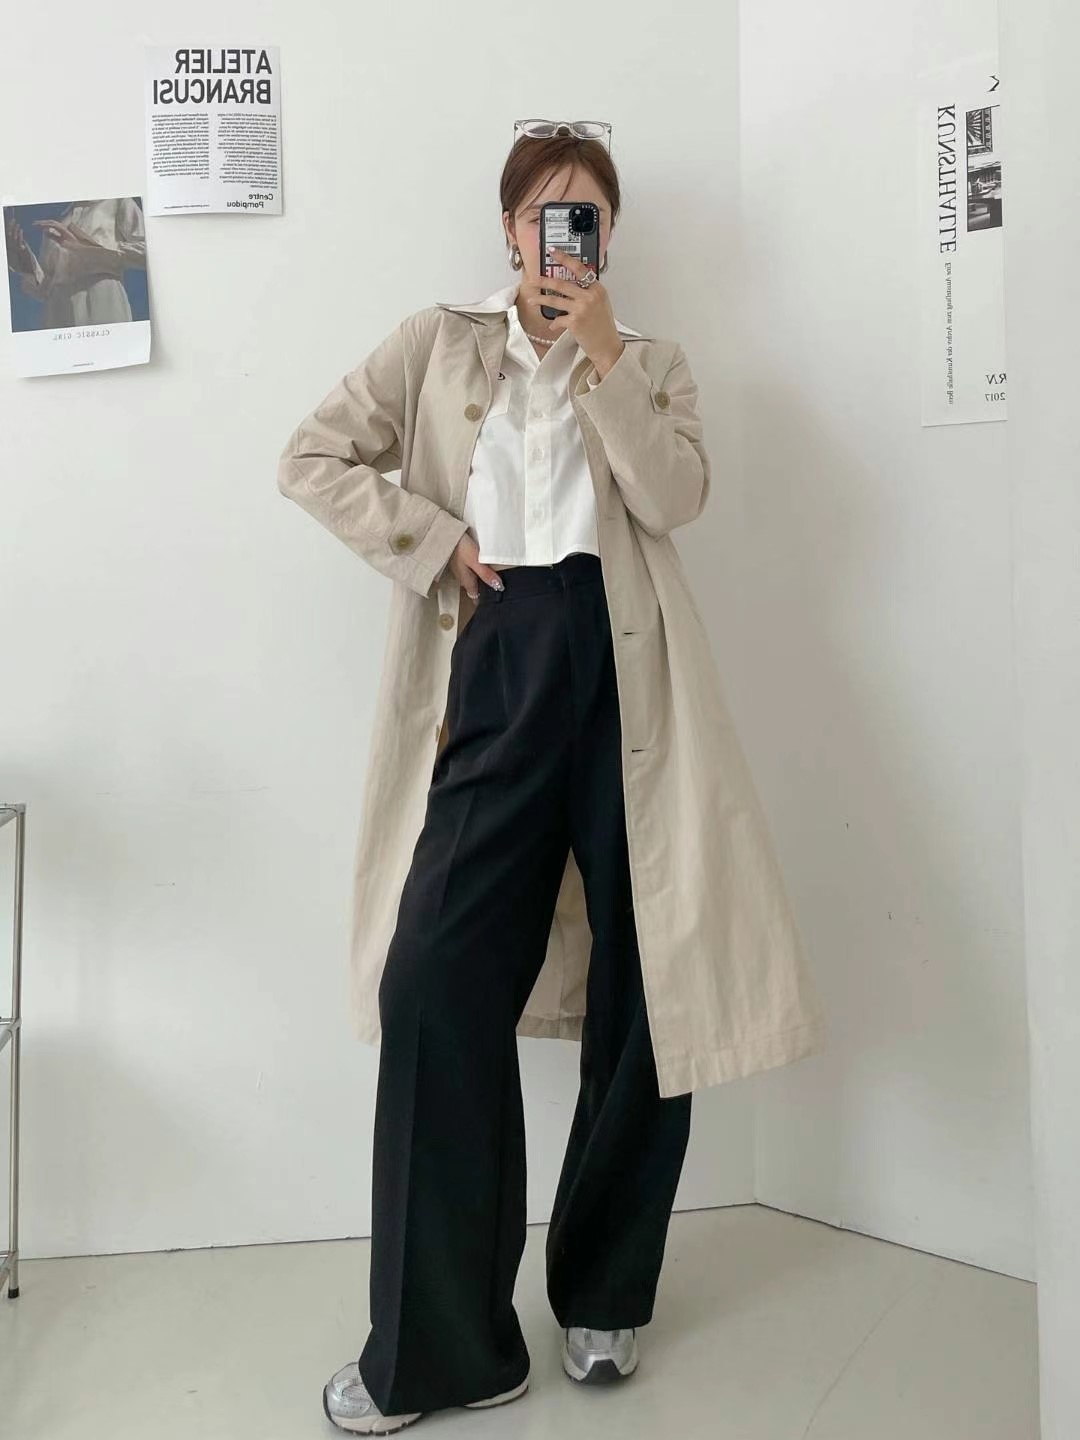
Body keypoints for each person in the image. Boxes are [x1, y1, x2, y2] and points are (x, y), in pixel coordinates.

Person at [278, 117, 826, 1436]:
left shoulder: (650, 360)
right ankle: (448, 1346)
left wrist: (605, 357)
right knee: (430, 983)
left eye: (587, 217)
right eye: (543, 214)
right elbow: (311, 457)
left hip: (629, 687)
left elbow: (674, 498)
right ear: (509, 227)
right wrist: (430, 538)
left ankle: (602, 1293)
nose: (561, 237)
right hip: (492, 668)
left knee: (651, 986)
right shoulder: (436, 342)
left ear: (609, 237)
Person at [5, 197, 146, 329]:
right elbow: (44, 288)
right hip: (56, 313)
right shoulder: (54, 226)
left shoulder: (117, 202)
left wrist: (85, 247)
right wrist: (25, 263)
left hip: (101, 301)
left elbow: (150, 250)